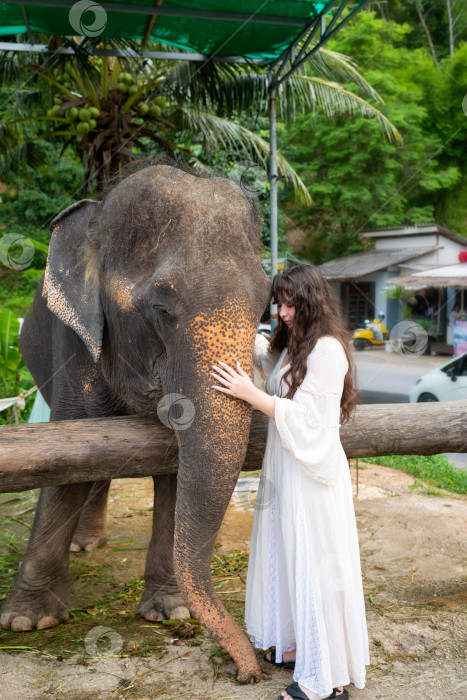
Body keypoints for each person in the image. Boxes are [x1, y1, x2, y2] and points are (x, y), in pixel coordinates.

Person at [211, 263, 369, 700]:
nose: (282, 312)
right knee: (288, 553)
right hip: (287, 468)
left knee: (314, 562)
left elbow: (311, 419)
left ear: (311, 301)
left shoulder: (328, 350)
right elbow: (269, 363)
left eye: (290, 302)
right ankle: (300, 645)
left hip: (311, 473)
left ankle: (327, 681)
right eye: (278, 303)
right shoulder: (295, 347)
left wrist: (250, 394)